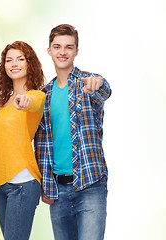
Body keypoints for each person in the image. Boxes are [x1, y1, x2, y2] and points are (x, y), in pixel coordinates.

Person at [34, 24, 112, 240]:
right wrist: (45, 184)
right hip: (58, 190)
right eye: (57, 47)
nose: (62, 52)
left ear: (76, 51)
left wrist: (98, 83)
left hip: (90, 184)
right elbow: (42, 145)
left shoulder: (88, 82)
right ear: (49, 50)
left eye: (69, 47)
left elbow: (105, 90)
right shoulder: (44, 95)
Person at [0, 41, 46, 240]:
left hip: (22, 183)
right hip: (2, 186)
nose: (14, 64)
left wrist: (25, 101)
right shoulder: (2, 102)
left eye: (20, 59)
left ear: (29, 64)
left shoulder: (36, 96)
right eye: (9, 60)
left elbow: (33, 103)